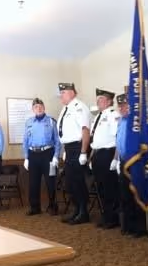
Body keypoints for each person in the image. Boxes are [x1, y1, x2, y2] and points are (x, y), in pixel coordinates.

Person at [57, 82, 92, 225]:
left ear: (72, 93)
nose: (61, 95)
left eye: (63, 93)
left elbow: (85, 130)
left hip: (78, 148)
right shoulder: (65, 109)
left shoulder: (80, 108)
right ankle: (76, 210)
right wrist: (65, 150)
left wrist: (83, 152)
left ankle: (83, 212)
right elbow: (66, 132)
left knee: (78, 182)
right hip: (70, 149)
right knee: (70, 182)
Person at [114, 93, 147, 237]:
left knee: (136, 194)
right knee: (125, 194)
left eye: (125, 105)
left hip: (135, 161)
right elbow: (118, 141)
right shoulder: (121, 121)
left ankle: (140, 227)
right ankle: (129, 225)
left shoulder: (136, 121)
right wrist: (115, 159)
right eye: (120, 106)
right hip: (123, 161)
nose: (122, 108)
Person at [23, 98, 61, 216]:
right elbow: (25, 141)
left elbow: (57, 141)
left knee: (50, 181)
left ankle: (52, 206)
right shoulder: (29, 122)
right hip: (33, 154)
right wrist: (26, 157)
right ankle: (35, 207)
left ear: (44, 108)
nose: (38, 109)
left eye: (40, 106)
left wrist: (56, 156)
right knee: (33, 182)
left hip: (48, 154)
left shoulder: (51, 122)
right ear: (33, 109)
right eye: (36, 107)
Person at [90, 88, 120, 228]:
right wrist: (91, 157)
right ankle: (106, 215)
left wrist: (115, 158)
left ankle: (112, 218)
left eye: (101, 99)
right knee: (101, 187)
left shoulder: (113, 115)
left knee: (110, 188)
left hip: (108, 153)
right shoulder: (98, 116)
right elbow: (94, 139)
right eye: (97, 100)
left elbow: (117, 137)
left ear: (109, 101)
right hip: (97, 154)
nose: (98, 102)